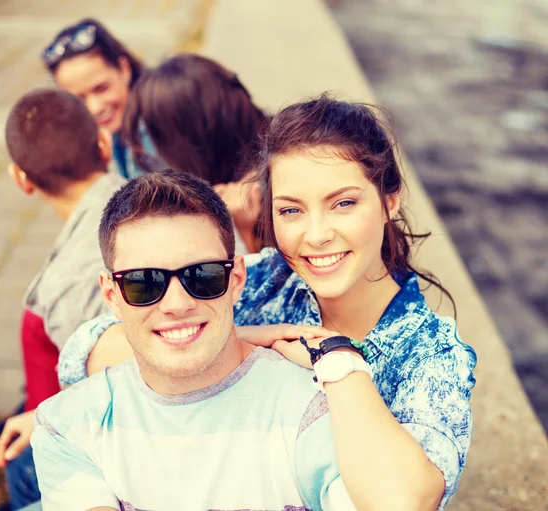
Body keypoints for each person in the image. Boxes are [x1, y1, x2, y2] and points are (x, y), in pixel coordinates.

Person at [60, 94, 477, 510]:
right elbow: (84, 351)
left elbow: (406, 503)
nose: (315, 235)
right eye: (291, 211)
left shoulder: (429, 352)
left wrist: (336, 362)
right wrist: (242, 338)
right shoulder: (263, 280)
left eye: (343, 204)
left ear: (389, 200)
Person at [32, 171, 357, 511]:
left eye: (202, 276)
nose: (176, 305)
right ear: (111, 295)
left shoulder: (314, 412)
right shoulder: (67, 425)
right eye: (144, 283)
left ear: (236, 279)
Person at [0, 88, 126, 510]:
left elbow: (115, 392)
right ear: (103, 145)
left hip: (107, 442)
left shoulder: (70, 282)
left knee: (22, 467)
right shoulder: (152, 194)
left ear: (21, 179)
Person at [122, 53, 266, 251]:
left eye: (159, 136)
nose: (153, 152)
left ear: (194, 138)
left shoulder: (269, 191)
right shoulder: (262, 150)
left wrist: (242, 235)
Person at [41, 18, 158, 178]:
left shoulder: (157, 128)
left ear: (124, 69)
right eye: (79, 99)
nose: (95, 108)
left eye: (102, 88)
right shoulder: (119, 124)